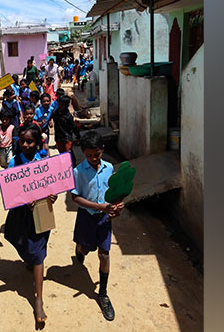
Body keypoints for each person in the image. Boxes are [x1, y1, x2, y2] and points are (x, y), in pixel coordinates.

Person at [4, 123, 58, 324]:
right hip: (21, 214)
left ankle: (38, 299)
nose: (26, 145)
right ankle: (30, 260)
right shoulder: (13, 163)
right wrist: (22, 199)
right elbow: (9, 192)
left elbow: (54, 186)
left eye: (30, 141)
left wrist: (52, 197)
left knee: (37, 254)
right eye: (23, 141)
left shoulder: (45, 162)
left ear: (38, 143)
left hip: (42, 212)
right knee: (21, 243)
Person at [71, 131, 124, 322]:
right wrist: (98, 206)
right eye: (89, 155)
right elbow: (75, 197)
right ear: (83, 153)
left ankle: (103, 294)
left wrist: (118, 205)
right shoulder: (78, 171)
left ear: (102, 150)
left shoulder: (109, 168)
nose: (94, 158)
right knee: (85, 248)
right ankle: (79, 249)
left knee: (104, 254)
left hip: (104, 219)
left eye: (97, 154)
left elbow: (115, 192)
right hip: (87, 216)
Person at [51, 95, 80, 166]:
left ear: (66, 105)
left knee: (68, 153)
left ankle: (73, 166)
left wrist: (78, 136)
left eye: (62, 104)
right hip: (58, 136)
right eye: (59, 104)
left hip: (67, 138)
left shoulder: (68, 116)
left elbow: (74, 127)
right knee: (61, 153)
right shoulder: (55, 113)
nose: (60, 106)